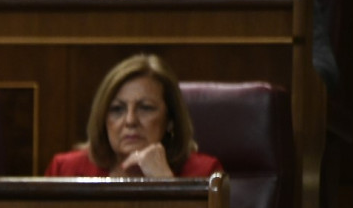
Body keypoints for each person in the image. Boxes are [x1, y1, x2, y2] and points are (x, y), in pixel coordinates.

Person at [44, 54, 221, 179]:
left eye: (145, 108)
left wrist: (165, 182)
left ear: (170, 120)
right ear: (103, 119)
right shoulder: (65, 170)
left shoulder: (204, 173)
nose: (130, 120)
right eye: (117, 109)